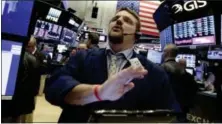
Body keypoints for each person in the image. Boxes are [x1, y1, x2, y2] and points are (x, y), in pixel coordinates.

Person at [45, 8, 179, 123]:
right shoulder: (82, 57)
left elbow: (169, 115)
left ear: (137, 35)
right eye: (115, 19)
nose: (119, 21)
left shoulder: (153, 72)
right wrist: (98, 92)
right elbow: (54, 87)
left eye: (127, 21)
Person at [161, 44, 198, 122]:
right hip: (182, 109)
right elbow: (194, 87)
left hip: (167, 109)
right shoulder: (183, 69)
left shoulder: (161, 69)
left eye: (163, 51)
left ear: (167, 53)